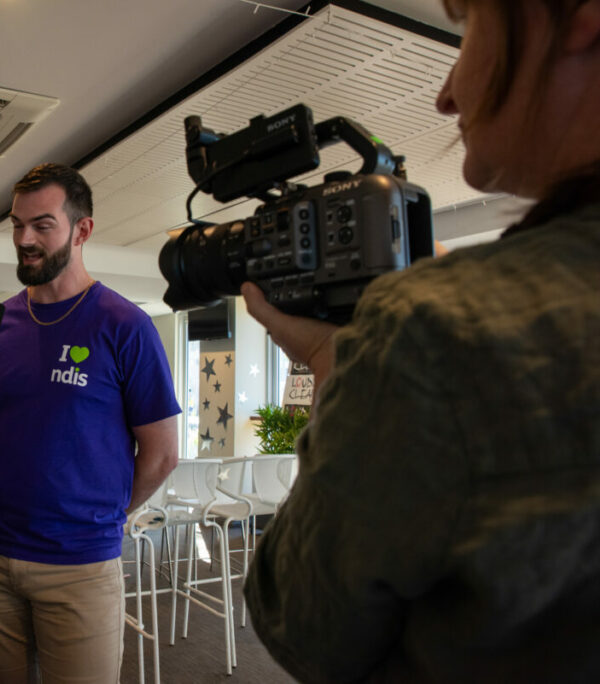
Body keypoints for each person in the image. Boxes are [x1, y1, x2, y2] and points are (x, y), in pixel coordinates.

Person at [242, 1, 600, 682]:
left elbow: (299, 623)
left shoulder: (436, 327)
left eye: (471, 33)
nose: (445, 93)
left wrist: (331, 360)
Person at [0, 163, 181, 682]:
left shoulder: (125, 325)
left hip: (79, 566)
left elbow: (163, 453)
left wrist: (103, 514)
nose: (24, 239)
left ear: (82, 230)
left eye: (42, 225)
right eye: (17, 225)